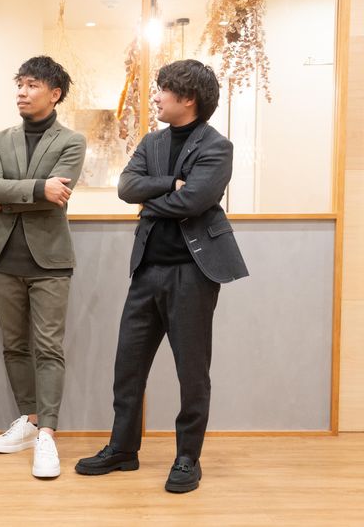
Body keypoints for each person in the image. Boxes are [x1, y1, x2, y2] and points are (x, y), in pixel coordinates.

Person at [75, 59, 249, 493]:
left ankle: (188, 458)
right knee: (128, 366)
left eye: (163, 90)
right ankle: (122, 449)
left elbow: (195, 201)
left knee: (192, 372)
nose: (156, 96)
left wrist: (153, 200)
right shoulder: (152, 142)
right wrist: (171, 183)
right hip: (147, 270)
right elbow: (126, 187)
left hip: (193, 272)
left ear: (187, 98)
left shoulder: (217, 146)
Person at [0, 56, 86, 478]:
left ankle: (47, 434)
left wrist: (10, 198)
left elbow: (58, 196)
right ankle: (28, 419)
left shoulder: (71, 141)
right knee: (14, 346)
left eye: (32, 85)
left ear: (54, 93)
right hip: (3, 256)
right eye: (19, 84)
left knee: (48, 347)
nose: (22, 93)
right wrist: (40, 188)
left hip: (51, 261)